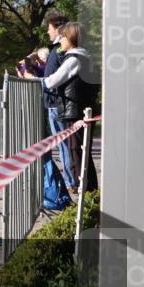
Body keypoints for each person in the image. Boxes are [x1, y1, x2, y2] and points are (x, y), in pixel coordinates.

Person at [42, 22, 99, 192]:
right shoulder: (86, 57)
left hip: (75, 112)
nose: (60, 41)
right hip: (82, 110)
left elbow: (52, 81)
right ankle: (90, 192)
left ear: (71, 38)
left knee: (77, 153)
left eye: (63, 37)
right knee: (82, 153)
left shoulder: (74, 59)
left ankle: (85, 193)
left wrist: (34, 81)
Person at [24, 14, 76, 191]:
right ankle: (71, 180)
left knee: (63, 146)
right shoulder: (57, 50)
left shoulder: (58, 51)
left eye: (49, 28)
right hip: (54, 103)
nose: (47, 31)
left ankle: (71, 182)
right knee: (63, 146)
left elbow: (53, 79)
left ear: (59, 30)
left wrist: (33, 79)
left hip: (56, 104)